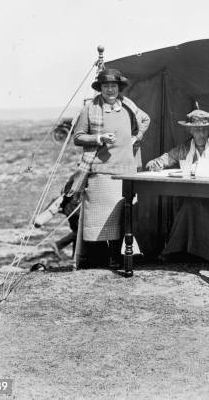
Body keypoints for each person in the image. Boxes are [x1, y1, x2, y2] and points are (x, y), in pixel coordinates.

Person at [72, 68, 150, 268]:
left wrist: (136, 137)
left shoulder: (128, 105)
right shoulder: (89, 109)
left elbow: (145, 119)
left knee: (122, 214)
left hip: (126, 169)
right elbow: (78, 137)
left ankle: (118, 256)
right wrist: (99, 138)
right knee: (102, 216)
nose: (110, 90)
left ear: (119, 88)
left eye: (113, 86)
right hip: (101, 170)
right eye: (106, 86)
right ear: (100, 88)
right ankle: (103, 258)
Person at [145, 109, 209, 262]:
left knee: (193, 205)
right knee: (192, 204)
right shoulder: (184, 148)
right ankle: (191, 252)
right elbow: (165, 159)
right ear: (190, 130)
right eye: (197, 130)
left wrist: (208, 168)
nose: (201, 134)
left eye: (204, 130)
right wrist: (155, 164)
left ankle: (176, 251)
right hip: (195, 197)